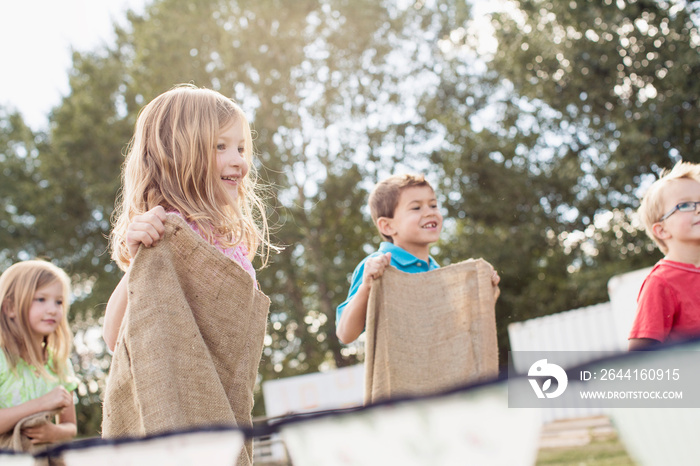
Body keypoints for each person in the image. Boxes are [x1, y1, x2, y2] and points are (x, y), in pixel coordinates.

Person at [103, 84, 272, 352]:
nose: (239, 161)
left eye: (240, 149)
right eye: (220, 146)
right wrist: (140, 262)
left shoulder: (226, 239)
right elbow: (114, 338)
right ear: (177, 155)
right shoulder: (169, 231)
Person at [336, 173, 500, 344]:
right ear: (388, 226)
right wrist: (366, 286)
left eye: (433, 205)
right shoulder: (377, 267)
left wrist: (482, 290)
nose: (430, 212)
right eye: (416, 208)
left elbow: (455, 328)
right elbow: (345, 334)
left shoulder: (437, 272)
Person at [0, 260, 78, 448]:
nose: (52, 309)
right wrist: (41, 403)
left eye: (59, 302)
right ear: (10, 308)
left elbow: (71, 426)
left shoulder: (59, 363)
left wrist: (55, 432)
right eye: (41, 299)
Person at [628, 161, 700, 350]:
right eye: (685, 205)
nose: (698, 209)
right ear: (661, 230)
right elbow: (639, 358)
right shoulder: (661, 283)